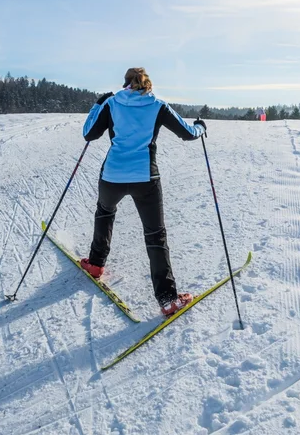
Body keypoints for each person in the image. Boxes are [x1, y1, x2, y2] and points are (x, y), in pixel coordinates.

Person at [81, 67, 207, 316]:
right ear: (149, 85)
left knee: (105, 212)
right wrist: (201, 126)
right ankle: (168, 299)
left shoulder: (112, 103)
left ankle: (95, 264)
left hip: (112, 176)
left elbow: (89, 133)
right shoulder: (158, 106)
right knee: (155, 235)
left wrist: (98, 104)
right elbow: (188, 133)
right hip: (145, 178)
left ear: (125, 82)